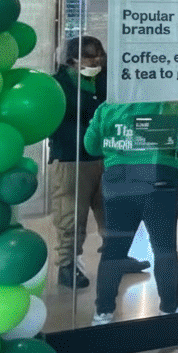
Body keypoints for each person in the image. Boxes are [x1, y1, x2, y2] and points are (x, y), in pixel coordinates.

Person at [84, 101, 178, 325]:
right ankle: (169, 307)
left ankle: (103, 312)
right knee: (164, 248)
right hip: (160, 180)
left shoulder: (107, 108)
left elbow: (90, 146)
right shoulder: (171, 107)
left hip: (119, 182)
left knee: (114, 249)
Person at [49, 36, 108, 289]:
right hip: (72, 158)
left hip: (105, 156)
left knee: (111, 211)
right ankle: (68, 265)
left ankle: (117, 255)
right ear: (72, 59)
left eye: (98, 56)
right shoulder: (58, 85)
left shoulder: (105, 80)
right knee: (72, 213)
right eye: (88, 56)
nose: (95, 61)